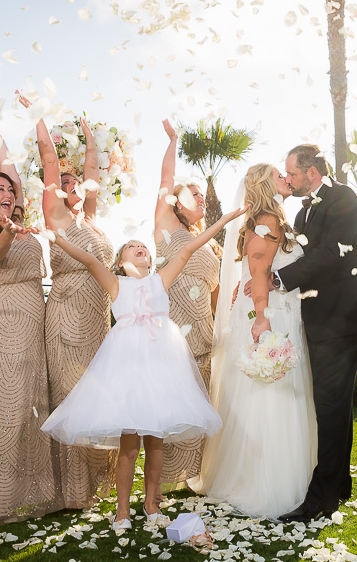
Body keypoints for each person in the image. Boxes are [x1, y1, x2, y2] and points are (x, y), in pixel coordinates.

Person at [40, 206, 243, 532]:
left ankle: (151, 503)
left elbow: (189, 247)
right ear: (121, 262)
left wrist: (224, 221)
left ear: (151, 260)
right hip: (127, 369)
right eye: (132, 246)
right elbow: (90, 260)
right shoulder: (117, 284)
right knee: (129, 444)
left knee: (156, 442)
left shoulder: (160, 280)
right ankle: (122, 510)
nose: (141, 247)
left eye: (143, 247)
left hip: (162, 366)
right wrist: (55, 237)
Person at [191, 164, 317, 518]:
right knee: (270, 393)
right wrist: (261, 317)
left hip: (284, 310)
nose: (287, 179)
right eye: (280, 175)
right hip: (269, 314)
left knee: (281, 390)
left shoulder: (275, 220)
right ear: (265, 184)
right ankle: (264, 483)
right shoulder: (264, 220)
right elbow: (259, 272)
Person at [272, 144, 357, 523]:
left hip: (341, 317)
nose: (289, 180)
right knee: (334, 407)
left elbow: (331, 252)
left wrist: (278, 279)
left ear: (312, 172)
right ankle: (339, 485)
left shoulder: (343, 197)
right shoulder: (303, 210)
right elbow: (298, 253)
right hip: (319, 317)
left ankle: (321, 499)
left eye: (292, 174)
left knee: (330, 407)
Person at [26, 93, 117, 510]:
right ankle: (71, 492)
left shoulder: (92, 219)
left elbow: (93, 169)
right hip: (65, 314)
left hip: (99, 318)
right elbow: (49, 159)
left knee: (100, 396)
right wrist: (38, 116)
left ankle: (99, 483)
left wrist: (89, 139)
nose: (72, 184)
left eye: (75, 180)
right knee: (71, 396)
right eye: (64, 182)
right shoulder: (56, 216)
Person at [0, 164, 60, 526]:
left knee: (28, 411)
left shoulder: (20, 226)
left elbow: (16, 181)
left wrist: (4, 145)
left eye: (11, 190)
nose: (9, 194)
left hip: (30, 329)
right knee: (0, 413)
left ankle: (25, 495)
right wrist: (6, 232)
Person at [153, 119, 221, 491]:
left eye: (200, 193)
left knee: (199, 403)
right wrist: (174, 142)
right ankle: (164, 481)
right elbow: (165, 180)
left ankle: (194, 478)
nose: (199, 197)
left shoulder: (209, 242)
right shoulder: (166, 228)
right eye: (191, 192)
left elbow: (217, 291)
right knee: (170, 403)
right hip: (172, 329)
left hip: (205, 332)